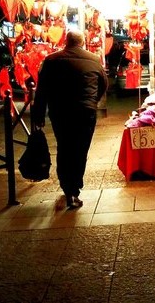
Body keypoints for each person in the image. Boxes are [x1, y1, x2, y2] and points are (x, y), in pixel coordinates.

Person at [31, 28, 108, 209]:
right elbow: (103, 85)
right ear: (82, 42)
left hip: (61, 112)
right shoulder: (94, 60)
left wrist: (38, 115)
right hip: (85, 112)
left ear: (66, 42)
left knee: (64, 148)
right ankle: (74, 189)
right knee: (80, 150)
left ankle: (68, 189)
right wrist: (92, 102)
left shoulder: (51, 61)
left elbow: (42, 91)